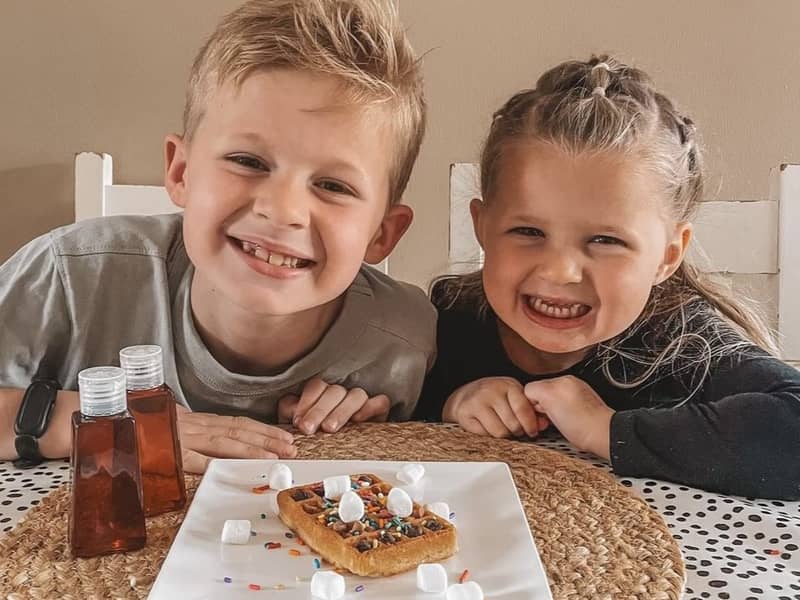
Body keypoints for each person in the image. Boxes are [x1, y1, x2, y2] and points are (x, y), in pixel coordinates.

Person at [0, 0, 435, 473]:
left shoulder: (403, 341)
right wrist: (100, 421)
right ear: (181, 171)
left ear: (382, 234)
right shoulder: (69, 274)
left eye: (333, 186)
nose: (282, 210)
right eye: (248, 161)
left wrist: (375, 426)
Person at [415, 55, 800, 499]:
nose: (559, 270)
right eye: (528, 231)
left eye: (605, 240)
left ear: (667, 256)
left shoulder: (682, 343)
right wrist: (450, 404)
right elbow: (372, 420)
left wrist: (606, 429)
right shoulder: (445, 319)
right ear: (481, 226)